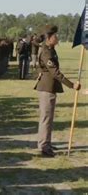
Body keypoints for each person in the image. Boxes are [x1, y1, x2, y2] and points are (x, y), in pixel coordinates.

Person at [34, 25, 81, 157]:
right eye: (55, 36)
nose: (57, 37)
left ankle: (46, 142)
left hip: (50, 87)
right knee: (46, 118)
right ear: (49, 38)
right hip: (47, 88)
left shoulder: (50, 49)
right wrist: (71, 85)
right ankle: (43, 146)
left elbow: (40, 67)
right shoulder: (46, 52)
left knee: (48, 118)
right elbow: (55, 72)